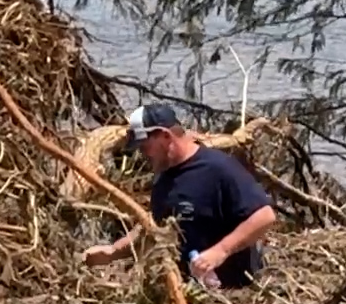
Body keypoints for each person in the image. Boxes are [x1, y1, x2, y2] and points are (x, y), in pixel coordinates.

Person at [83, 104, 278, 289]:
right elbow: (156, 228)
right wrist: (112, 252)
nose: (142, 154)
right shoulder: (164, 177)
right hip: (186, 292)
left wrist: (220, 251)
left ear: (165, 136)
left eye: (144, 147)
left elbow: (264, 216)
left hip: (232, 294)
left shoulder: (218, 169)